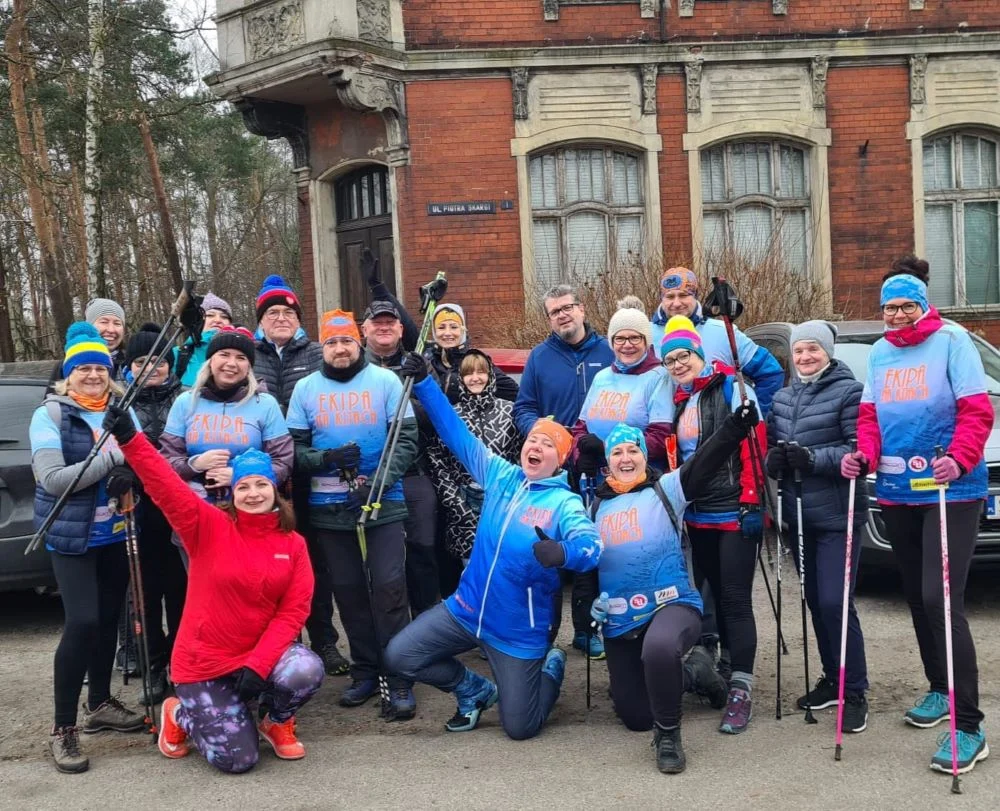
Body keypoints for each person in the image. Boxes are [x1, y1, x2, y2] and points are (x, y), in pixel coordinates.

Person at [385, 351, 603, 741]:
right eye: (532, 440)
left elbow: (592, 545)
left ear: (560, 459)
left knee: (520, 727)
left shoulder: (564, 502)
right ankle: (473, 690)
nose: (536, 446)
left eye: (547, 445)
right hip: (465, 610)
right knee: (400, 656)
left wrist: (564, 552)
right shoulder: (501, 475)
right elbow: (455, 432)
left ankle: (551, 667)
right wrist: (426, 383)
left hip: (517, 631)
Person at [103, 410, 324, 774]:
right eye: (243, 486)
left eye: (261, 484)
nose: (253, 493)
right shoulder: (206, 526)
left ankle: (274, 720)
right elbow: (165, 484)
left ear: (275, 489)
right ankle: (180, 713)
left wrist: (258, 665)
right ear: (232, 492)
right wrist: (130, 439)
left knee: (305, 668)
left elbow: (293, 612)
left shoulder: (294, 544)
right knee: (238, 761)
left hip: (255, 656)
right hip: (204, 664)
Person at [842, 256, 993, 775]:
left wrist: (961, 457)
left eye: (907, 306)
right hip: (896, 489)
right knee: (916, 596)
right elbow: (869, 416)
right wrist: (864, 454)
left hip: (951, 488)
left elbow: (977, 409)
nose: (897, 315)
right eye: (889, 308)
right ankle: (939, 688)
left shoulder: (952, 340)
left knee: (940, 599)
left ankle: (969, 725)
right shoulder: (880, 352)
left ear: (924, 305)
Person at [590, 415, 756, 773]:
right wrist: (591, 603)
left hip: (673, 603)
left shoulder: (665, 488)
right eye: (617, 452)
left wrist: (734, 428)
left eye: (633, 450)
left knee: (660, 648)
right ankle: (696, 672)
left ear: (643, 455)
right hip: (622, 617)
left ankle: (668, 735)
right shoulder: (595, 507)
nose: (625, 458)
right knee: (636, 716)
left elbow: (705, 460)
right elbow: (586, 562)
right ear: (607, 462)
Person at [286, 310, 419, 719]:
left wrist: (375, 483)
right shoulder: (306, 389)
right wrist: (324, 458)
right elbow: (293, 450)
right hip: (330, 508)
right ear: (321, 347)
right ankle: (365, 669)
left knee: (389, 587)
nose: (340, 349)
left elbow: (406, 441)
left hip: (383, 502)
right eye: (332, 342)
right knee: (348, 591)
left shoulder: (386, 381)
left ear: (357, 343)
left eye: (346, 341)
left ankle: (398, 673)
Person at [31, 322, 146, 774]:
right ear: (69, 374)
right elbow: (54, 479)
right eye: (83, 368)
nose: (94, 375)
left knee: (109, 619)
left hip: (115, 534)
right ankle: (63, 728)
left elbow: (145, 460)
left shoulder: (122, 410)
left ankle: (99, 703)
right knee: (82, 622)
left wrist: (131, 475)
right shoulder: (51, 415)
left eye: (100, 367)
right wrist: (115, 458)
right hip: (72, 537)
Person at [765, 320, 870, 733]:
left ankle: (855, 690)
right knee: (814, 600)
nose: (805, 357)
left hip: (838, 515)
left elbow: (857, 451)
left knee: (834, 602)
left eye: (813, 349)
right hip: (800, 516)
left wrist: (812, 459)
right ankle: (833, 678)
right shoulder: (783, 397)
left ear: (828, 352)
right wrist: (774, 461)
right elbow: (772, 448)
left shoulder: (849, 392)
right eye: (799, 351)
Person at [661, 315, 764, 734]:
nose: (678, 364)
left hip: (733, 510)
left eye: (684, 356)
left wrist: (752, 499)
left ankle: (742, 687)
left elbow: (754, 442)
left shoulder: (730, 387)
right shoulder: (680, 399)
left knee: (735, 599)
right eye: (670, 360)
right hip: (697, 513)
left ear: (699, 354)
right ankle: (723, 667)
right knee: (713, 595)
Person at [252, 274, 350, 677]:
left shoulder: (315, 353)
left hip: (310, 474)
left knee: (313, 562)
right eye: (272, 312)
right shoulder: (246, 354)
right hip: (262, 479)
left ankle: (324, 639)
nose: (281, 318)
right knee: (268, 566)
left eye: (288, 312)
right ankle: (281, 644)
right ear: (260, 319)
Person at [513, 284, 615, 659]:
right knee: (551, 549)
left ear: (581, 308)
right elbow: (523, 408)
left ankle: (587, 629)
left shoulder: (608, 351)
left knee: (591, 545)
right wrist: (544, 434)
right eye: (554, 311)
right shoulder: (540, 358)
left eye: (567, 307)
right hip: (557, 468)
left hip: (600, 467)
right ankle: (544, 632)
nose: (562, 315)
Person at [159, 326, 292, 568]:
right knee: (203, 585)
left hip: (250, 514)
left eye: (241, 358)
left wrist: (240, 475)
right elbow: (165, 461)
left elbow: (282, 462)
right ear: (210, 360)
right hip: (196, 514)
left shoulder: (265, 404)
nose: (231, 363)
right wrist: (194, 464)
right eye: (224, 355)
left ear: (249, 366)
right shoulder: (185, 402)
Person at [363, 298, 442, 616]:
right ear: (365, 329)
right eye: (377, 322)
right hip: (370, 478)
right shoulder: (354, 366)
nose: (384, 327)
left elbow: (439, 414)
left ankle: (426, 622)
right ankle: (388, 625)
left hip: (414, 474)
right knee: (381, 562)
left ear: (400, 328)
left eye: (390, 322)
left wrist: (417, 387)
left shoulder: (418, 363)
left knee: (423, 551)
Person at [124, 324, 188, 705]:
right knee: (145, 594)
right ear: (130, 366)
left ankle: (181, 665)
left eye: (159, 360)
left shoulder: (186, 398)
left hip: (177, 506)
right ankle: (153, 665)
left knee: (182, 591)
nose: (151, 368)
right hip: (138, 507)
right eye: (141, 361)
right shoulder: (121, 402)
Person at [426, 348, 522, 563]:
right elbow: (438, 463)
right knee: (471, 572)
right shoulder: (451, 416)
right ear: (461, 378)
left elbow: (521, 459)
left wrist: (514, 497)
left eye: (481, 372)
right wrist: (457, 504)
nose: (475, 378)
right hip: (465, 513)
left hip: (505, 508)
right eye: (469, 373)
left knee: (506, 569)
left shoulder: (510, 412)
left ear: (490, 375)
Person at [649, 268, 783, 415]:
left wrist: (754, 415)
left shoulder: (723, 332)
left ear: (695, 295)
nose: (676, 303)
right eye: (669, 296)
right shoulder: (645, 336)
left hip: (716, 427)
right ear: (661, 298)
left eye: (683, 295)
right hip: (659, 426)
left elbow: (770, 374)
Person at [571, 306, 672, 473]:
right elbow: (580, 427)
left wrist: (607, 448)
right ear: (612, 342)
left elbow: (661, 437)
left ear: (646, 341)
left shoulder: (659, 377)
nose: (627, 345)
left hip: (638, 475)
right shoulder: (602, 377)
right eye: (620, 338)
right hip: (598, 476)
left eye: (635, 338)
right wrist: (579, 455)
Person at [424, 302, 519, 404]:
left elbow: (519, 397)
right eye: (441, 327)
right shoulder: (427, 361)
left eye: (454, 327)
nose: (447, 333)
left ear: (463, 330)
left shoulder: (476, 361)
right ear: (434, 331)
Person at [172, 292, 233, 388]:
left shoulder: (241, 354)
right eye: (210, 315)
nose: (218, 320)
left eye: (224, 317)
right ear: (197, 320)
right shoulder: (177, 355)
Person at [85, 298, 127, 378]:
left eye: (117, 323)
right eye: (104, 322)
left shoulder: (132, 366)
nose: (111, 330)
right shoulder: (71, 365)